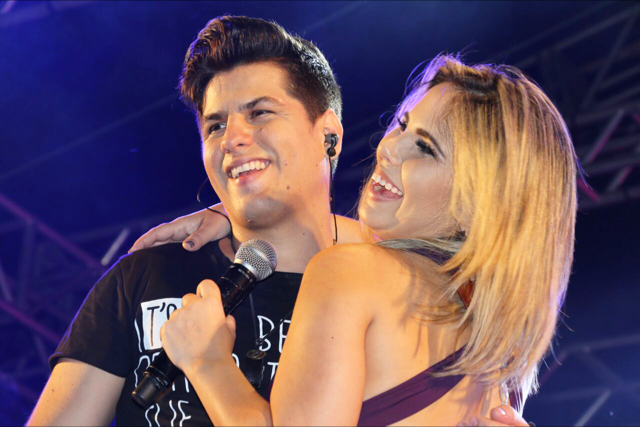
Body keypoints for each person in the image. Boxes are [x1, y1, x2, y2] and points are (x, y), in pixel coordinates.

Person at [28, 16, 525, 427]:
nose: (232, 138)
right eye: (215, 125)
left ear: (329, 135)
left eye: (260, 113)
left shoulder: (408, 297)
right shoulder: (144, 278)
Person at [134, 54, 576, 425]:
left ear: (477, 201)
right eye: (402, 125)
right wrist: (238, 211)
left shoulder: (348, 271)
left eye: (425, 149)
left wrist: (208, 363)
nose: (389, 148)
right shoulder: (497, 356)